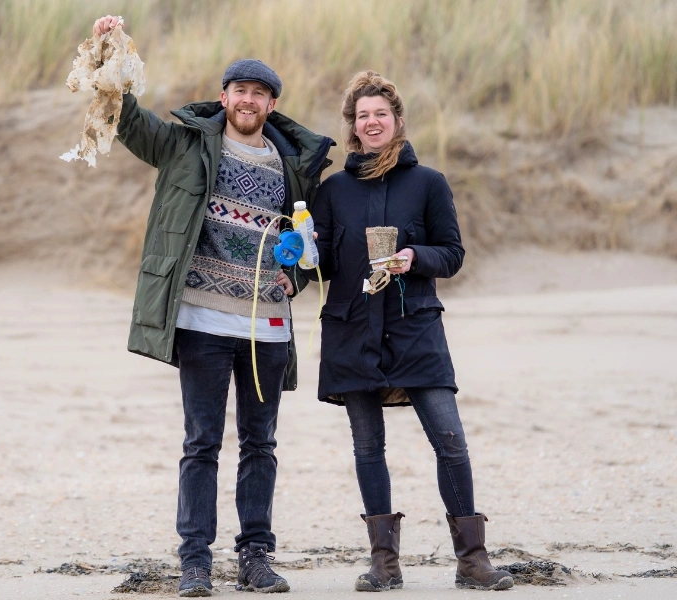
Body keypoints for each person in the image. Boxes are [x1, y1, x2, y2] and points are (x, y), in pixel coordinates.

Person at [90, 15, 334, 598]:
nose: (248, 101)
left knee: (261, 444)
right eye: (240, 91)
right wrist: (106, 52)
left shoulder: (295, 167)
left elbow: (313, 244)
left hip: (268, 328)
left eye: (260, 94)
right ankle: (195, 562)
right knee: (201, 443)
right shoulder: (184, 146)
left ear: (272, 104)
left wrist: (301, 265)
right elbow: (122, 118)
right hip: (201, 320)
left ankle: (255, 557)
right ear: (223, 97)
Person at [309, 70, 513, 592]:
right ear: (352, 126)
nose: (372, 122)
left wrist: (413, 256)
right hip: (352, 329)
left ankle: (473, 560)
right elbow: (325, 262)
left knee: (450, 442)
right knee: (367, 447)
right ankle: (384, 564)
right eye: (362, 116)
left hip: (415, 329)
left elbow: (453, 254)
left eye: (381, 113)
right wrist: (301, 251)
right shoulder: (333, 189)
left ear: (397, 120)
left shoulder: (429, 183)